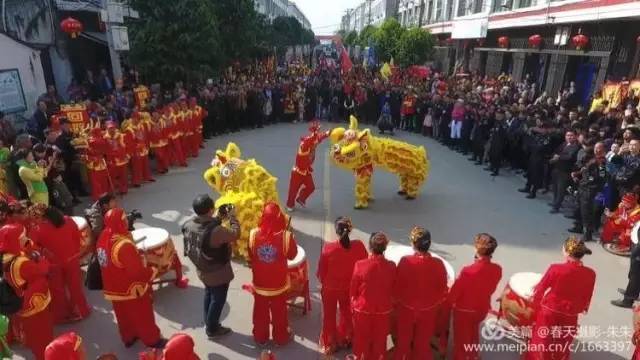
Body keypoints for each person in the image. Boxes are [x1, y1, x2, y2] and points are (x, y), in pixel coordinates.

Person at [96, 208, 166, 349]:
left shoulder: (103, 236)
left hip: (112, 287)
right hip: (131, 288)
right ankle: (152, 339)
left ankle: (128, 337)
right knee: (143, 315)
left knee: (123, 316)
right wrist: (152, 270)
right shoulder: (123, 245)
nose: (127, 221)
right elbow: (137, 273)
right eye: (125, 220)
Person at [525, 238, 596, 360]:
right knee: (563, 341)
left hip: (550, 310)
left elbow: (541, 288)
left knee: (542, 339)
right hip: (571, 312)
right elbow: (587, 294)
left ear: (567, 252)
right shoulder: (590, 273)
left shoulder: (556, 269)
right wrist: (583, 307)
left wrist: (534, 307)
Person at [182, 195, 240, 338]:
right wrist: (232, 218)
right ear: (210, 209)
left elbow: (205, 229)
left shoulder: (188, 224)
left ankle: (209, 321)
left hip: (202, 269)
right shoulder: (217, 231)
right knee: (218, 299)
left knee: (209, 293)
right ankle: (212, 329)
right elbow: (235, 234)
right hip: (217, 273)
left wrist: (219, 217)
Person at [393, 226, 449, 360]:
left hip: (407, 308)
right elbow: (443, 288)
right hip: (428, 310)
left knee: (403, 343)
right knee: (423, 344)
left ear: (413, 244)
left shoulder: (405, 261)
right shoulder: (438, 263)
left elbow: (397, 284)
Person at [1, 223, 53, 360]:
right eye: (22, 237)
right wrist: (43, 260)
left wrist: (28, 246)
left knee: (32, 333)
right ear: (15, 240)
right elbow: (42, 269)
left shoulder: (7, 256)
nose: (25, 239)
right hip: (33, 303)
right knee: (42, 336)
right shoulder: (22, 263)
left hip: (20, 300)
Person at [248, 202, 297, 346]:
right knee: (279, 312)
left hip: (260, 283)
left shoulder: (253, 234)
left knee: (260, 311)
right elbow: (292, 255)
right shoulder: (286, 236)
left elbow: (251, 255)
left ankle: (260, 337)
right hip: (278, 284)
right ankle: (280, 338)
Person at [316, 216, 368, 355]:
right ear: (350, 231)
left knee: (329, 316)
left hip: (330, 289)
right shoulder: (359, 246)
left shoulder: (329, 249)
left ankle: (330, 343)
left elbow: (321, 273)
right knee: (346, 313)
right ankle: (347, 338)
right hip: (349, 289)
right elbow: (364, 267)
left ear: (336, 231)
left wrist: (323, 283)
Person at [31, 206, 90, 323]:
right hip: (71, 259)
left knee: (57, 290)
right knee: (75, 287)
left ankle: (62, 316)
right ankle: (81, 311)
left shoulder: (38, 229)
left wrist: (43, 251)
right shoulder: (68, 220)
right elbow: (77, 237)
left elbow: (33, 246)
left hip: (53, 264)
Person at [448, 233, 502, 360]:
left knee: (461, 344)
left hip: (464, 311)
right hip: (481, 309)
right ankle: (474, 356)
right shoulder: (497, 269)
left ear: (477, 249)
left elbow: (454, 295)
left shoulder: (468, 271)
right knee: (473, 336)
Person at [350, 232, 396, 360]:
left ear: (370, 247)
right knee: (380, 340)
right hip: (383, 309)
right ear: (385, 248)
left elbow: (353, 290)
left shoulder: (360, 265)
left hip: (363, 309)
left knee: (361, 339)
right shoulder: (391, 266)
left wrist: (353, 304)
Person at [286, 121, 329, 211]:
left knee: (311, 187)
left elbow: (319, 138)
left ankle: (301, 198)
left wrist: (328, 133)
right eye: (315, 144)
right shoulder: (304, 147)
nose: (316, 145)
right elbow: (310, 140)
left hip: (306, 172)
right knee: (293, 190)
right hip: (297, 173)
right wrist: (314, 133)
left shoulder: (311, 145)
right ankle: (290, 205)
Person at [549, 130, 580, 213]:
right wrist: (554, 156)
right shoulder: (564, 144)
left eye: (571, 135)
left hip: (565, 171)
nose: (569, 137)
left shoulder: (576, 147)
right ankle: (555, 202)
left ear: (575, 136)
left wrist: (558, 157)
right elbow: (556, 151)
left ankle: (556, 207)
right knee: (555, 187)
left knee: (561, 189)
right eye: (567, 135)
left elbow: (569, 157)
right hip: (557, 168)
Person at [104, 121, 130, 195]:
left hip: (121, 158)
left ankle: (123, 188)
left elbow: (125, 146)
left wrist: (126, 154)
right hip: (111, 160)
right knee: (112, 176)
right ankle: (112, 190)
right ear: (107, 129)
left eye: (113, 128)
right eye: (110, 128)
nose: (112, 130)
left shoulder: (120, 136)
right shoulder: (105, 138)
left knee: (123, 175)